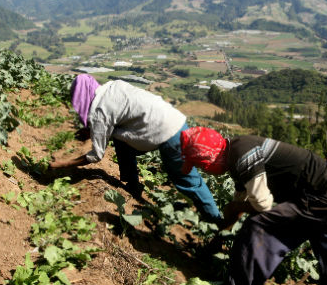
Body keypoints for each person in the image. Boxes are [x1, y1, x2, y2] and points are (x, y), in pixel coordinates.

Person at [180, 126, 327, 285]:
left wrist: (234, 208)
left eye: (200, 166)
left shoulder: (241, 155)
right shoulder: (236, 151)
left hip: (319, 196)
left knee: (258, 229)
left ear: (209, 161)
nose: (204, 171)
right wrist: (219, 238)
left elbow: (262, 204)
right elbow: (238, 205)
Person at [48, 74, 221, 224]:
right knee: (120, 139)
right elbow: (119, 114)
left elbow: (97, 155)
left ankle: (217, 224)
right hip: (173, 119)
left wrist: (64, 164)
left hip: (169, 133)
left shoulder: (99, 110)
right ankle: (132, 183)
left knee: (187, 181)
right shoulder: (111, 87)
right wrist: (92, 130)